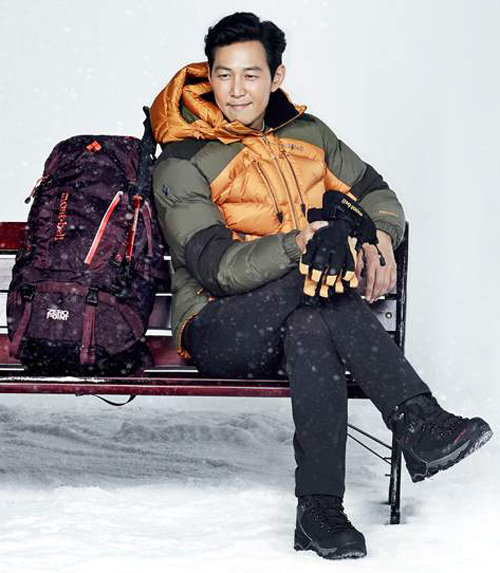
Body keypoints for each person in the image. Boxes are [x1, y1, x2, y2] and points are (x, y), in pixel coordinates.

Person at [149, 12, 492, 561]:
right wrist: (303, 242)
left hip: (298, 316)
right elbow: (217, 268)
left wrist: (379, 237)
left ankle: (319, 511)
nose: (236, 90)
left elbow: (377, 192)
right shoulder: (183, 157)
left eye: (251, 75)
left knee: (313, 322)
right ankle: (417, 420)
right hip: (218, 326)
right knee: (318, 279)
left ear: (277, 76)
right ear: (208, 76)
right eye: (224, 75)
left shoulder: (310, 135)